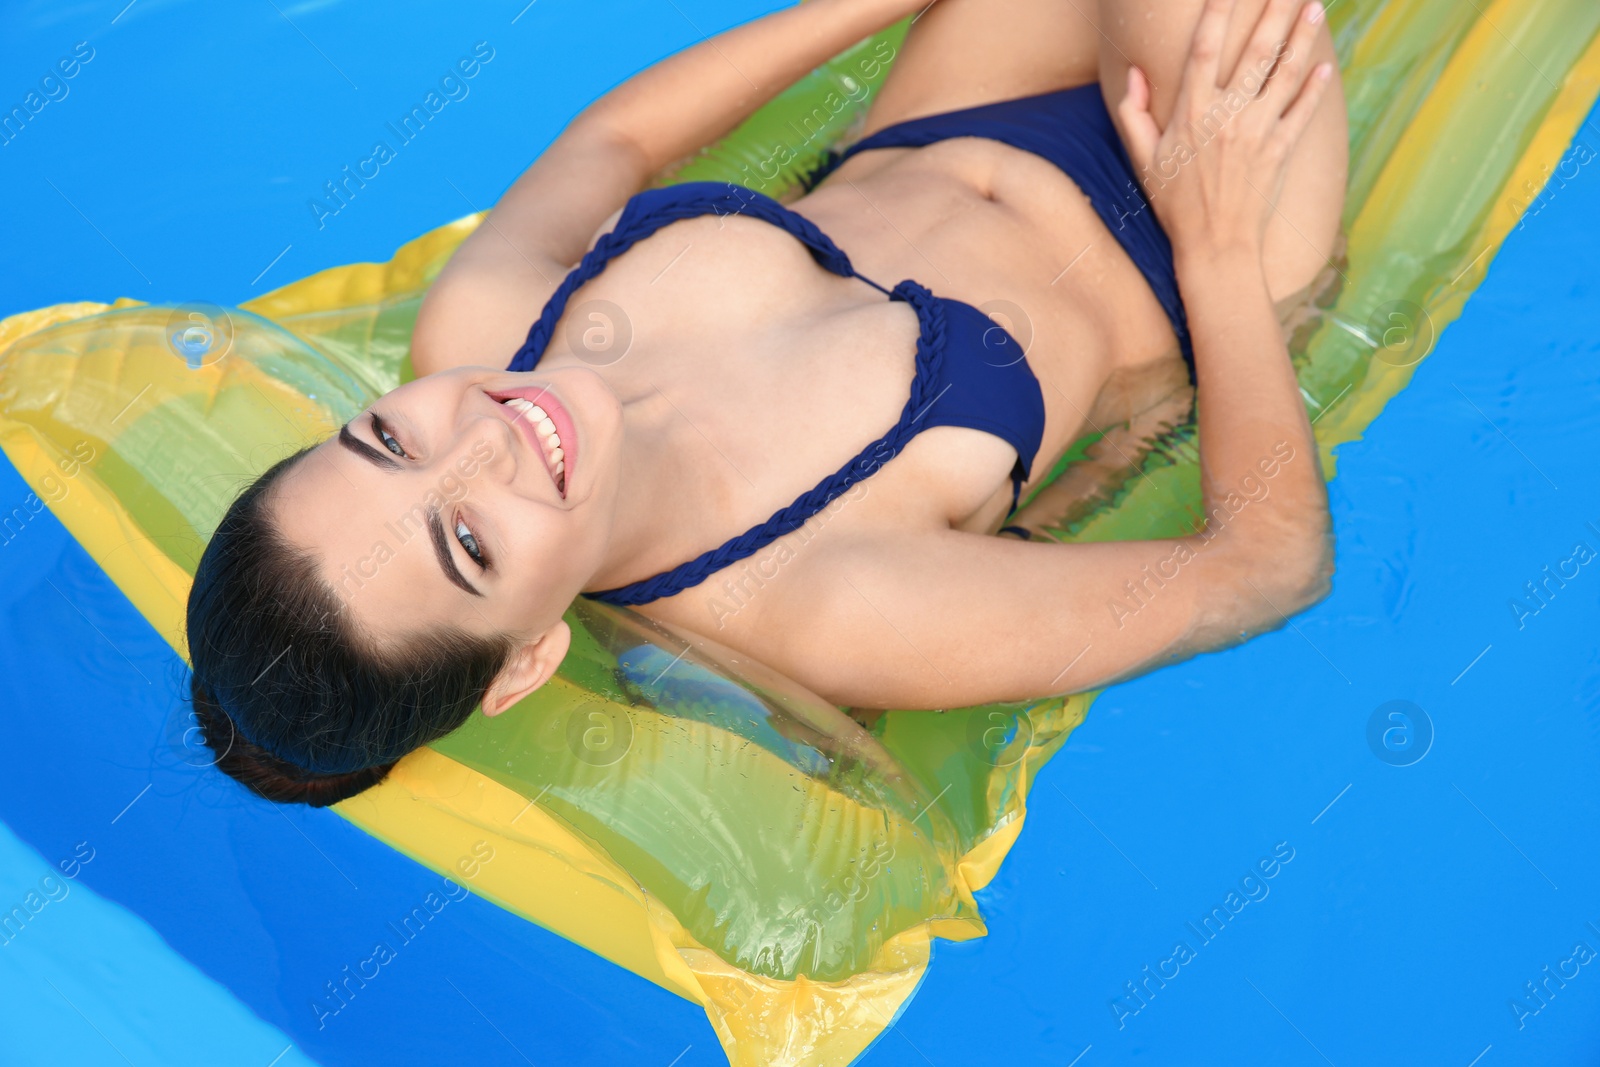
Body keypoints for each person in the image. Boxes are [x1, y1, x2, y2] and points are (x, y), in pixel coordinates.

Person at [187, 0, 1346, 805]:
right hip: (1179, 245)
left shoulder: (481, 329)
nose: (486, 438)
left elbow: (616, 138)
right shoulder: (821, 600)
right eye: (468, 542)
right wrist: (1215, 249)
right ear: (527, 660)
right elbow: (1263, 565)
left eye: (388, 438)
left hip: (954, 100)